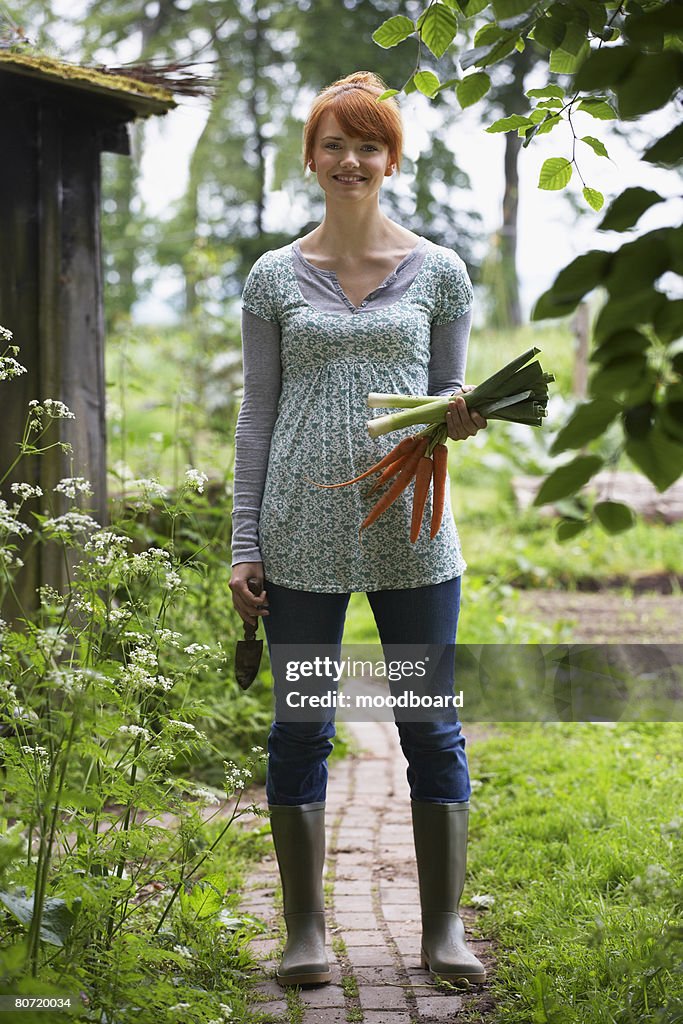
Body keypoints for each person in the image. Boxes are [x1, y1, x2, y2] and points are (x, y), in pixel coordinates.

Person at [229, 70, 488, 989]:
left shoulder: (440, 272)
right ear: (311, 158)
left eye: (366, 145)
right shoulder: (271, 277)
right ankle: (304, 933)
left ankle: (442, 931)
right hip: (297, 537)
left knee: (428, 725)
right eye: (333, 144)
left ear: (390, 160)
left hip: (411, 537)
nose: (350, 160)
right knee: (301, 727)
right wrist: (243, 546)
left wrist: (458, 416)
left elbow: (447, 403)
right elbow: (256, 416)